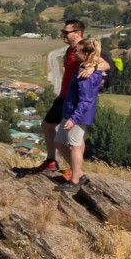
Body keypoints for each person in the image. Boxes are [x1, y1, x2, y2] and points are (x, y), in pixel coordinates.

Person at [27, 18, 108, 175]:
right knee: (49, 126)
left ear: (78, 33)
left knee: (74, 139)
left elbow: (106, 64)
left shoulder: (85, 48)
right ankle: (54, 162)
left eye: (66, 32)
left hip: (73, 99)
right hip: (64, 96)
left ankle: (76, 172)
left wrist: (92, 68)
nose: (63, 34)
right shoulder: (71, 49)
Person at [55, 38, 106, 190]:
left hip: (77, 115)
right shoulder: (84, 68)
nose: (74, 53)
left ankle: (75, 181)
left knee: (74, 146)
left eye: (77, 51)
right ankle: (79, 173)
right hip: (71, 112)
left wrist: (74, 118)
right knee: (58, 141)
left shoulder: (87, 75)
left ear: (86, 53)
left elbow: (85, 101)